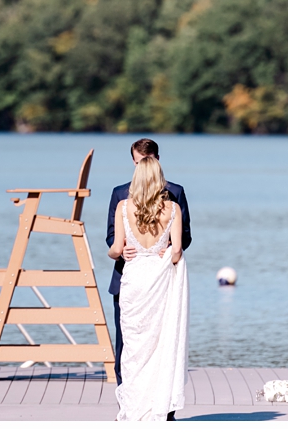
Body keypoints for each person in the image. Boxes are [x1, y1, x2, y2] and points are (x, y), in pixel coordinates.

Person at [106, 140, 191, 420]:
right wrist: (128, 251)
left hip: (140, 278)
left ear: (155, 159)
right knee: (133, 347)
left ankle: (160, 409)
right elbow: (177, 247)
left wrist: (120, 249)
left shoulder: (174, 194)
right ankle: (131, 404)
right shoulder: (119, 195)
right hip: (143, 276)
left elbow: (184, 238)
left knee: (144, 347)